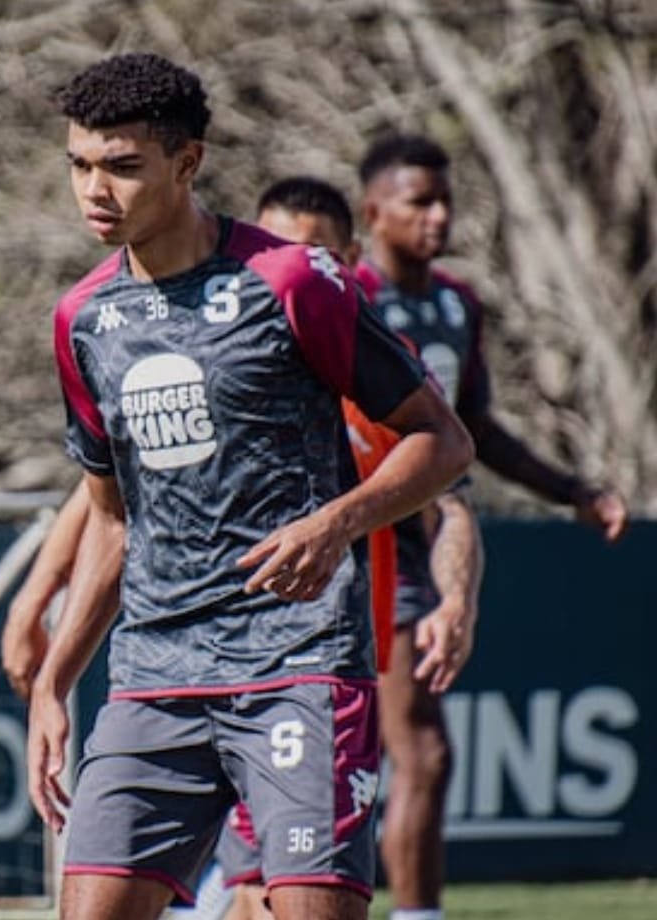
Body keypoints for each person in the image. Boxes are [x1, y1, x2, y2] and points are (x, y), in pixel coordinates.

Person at [26, 53, 473, 920]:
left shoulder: (293, 281)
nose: (94, 189)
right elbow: (114, 525)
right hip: (153, 675)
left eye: (123, 167)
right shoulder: (82, 320)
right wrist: (54, 680)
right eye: (80, 164)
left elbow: (443, 443)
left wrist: (337, 524)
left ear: (187, 164)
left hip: (298, 667)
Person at [356, 133, 629, 920]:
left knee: (424, 754)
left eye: (445, 200)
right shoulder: (346, 296)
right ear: (375, 211)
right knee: (405, 754)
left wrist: (571, 488)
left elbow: (473, 428)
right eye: (419, 201)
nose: (438, 215)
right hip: (365, 539)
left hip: (436, 537)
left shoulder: (456, 306)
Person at [214, 175, 485, 920]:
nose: (295, 273)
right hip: (217, 659)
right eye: (277, 253)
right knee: (250, 886)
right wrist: (44, 601)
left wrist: (456, 597)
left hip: (332, 665)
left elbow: (453, 497)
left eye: (315, 256)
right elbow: (103, 484)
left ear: (349, 260)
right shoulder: (217, 360)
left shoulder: (376, 370)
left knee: (289, 886)